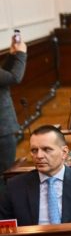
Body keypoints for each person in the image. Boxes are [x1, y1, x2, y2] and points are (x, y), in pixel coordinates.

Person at [0, 34, 27, 179]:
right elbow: (14, 77)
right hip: (2, 131)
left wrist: (11, 56)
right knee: (6, 173)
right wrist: (21, 53)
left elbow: (3, 76)